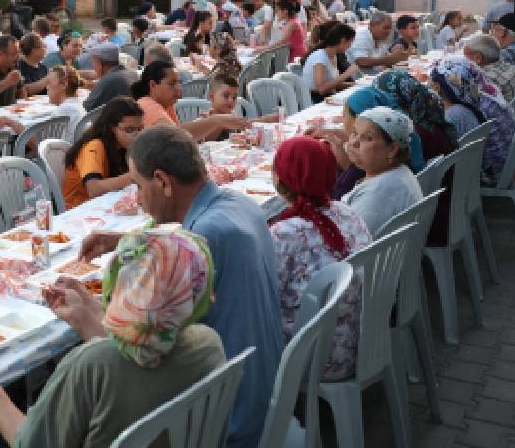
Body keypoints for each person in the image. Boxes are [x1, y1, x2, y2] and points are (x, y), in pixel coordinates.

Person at [80, 125, 283, 448]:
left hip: (226, 417)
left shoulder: (200, 240)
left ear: (162, 182)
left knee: (93, 394)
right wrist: (123, 240)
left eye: (138, 185)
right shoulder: (239, 205)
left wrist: (85, 316)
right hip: (270, 392)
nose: (138, 198)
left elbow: (140, 351)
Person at [0, 228, 225, 448]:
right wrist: (87, 313)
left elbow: (28, 443)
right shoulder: (209, 345)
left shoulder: (92, 366)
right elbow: (137, 353)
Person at [269, 136, 372, 381]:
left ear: (282, 178)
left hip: (317, 355)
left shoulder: (285, 233)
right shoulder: (345, 212)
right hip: (360, 339)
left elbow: (265, 299)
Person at [336, 106, 423, 234]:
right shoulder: (397, 172)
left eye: (368, 138)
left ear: (392, 149)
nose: (354, 142)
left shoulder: (376, 195)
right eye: (354, 133)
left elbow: (349, 242)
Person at [430, 56, 515, 184]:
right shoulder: (477, 97)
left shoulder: (453, 114)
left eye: (430, 81)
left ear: (437, 87)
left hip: (489, 173)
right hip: (507, 161)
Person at [130, 61, 249, 142]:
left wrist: (208, 123)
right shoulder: (146, 104)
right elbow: (177, 135)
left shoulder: (166, 105)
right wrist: (217, 120)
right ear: (153, 85)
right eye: (172, 84)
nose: (179, 88)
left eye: (179, 83)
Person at [61, 97, 143, 209]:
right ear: (111, 128)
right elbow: (94, 189)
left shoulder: (122, 147)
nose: (137, 135)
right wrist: (135, 175)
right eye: (129, 130)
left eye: (140, 129)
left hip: (104, 205)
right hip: (79, 210)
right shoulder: (94, 146)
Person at [302, 22, 359, 101]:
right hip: (314, 100)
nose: (350, 46)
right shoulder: (320, 57)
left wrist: (356, 85)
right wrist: (346, 74)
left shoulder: (333, 55)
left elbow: (333, 84)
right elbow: (322, 89)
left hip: (327, 97)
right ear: (342, 41)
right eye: (350, 42)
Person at [463, 33, 515, 103]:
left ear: (478, 57)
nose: (464, 60)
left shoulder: (485, 78)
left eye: (465, 57)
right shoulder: (511, 67)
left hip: (506, 112)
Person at [82, 44, 137, 111]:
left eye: (94, 62)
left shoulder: (108, 80)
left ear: (99, 64)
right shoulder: (131, 73)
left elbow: (85, 108)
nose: (93, 66)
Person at [47, 65, 86, 138]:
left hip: (70, 149)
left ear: (64, 84)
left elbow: (48, 147)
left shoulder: (63, 110)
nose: (47, 87)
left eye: (49, 83)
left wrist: (21, 130)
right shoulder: (78, 105)